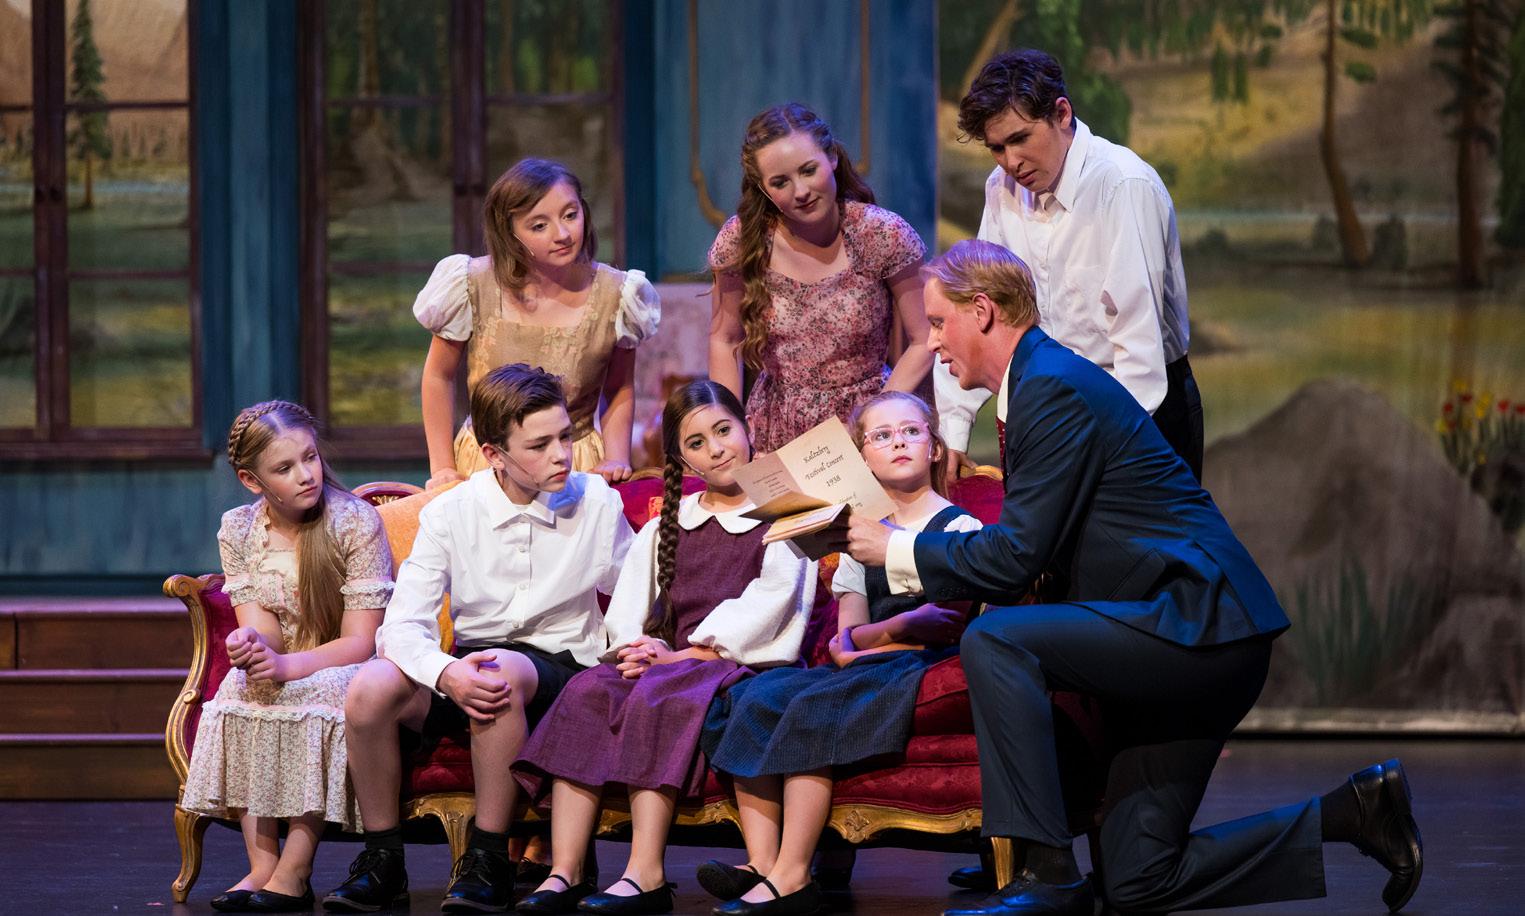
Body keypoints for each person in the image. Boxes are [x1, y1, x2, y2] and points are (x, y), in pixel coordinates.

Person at [846, 240, 1422, 916]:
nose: (934, 341)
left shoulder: (1051, 385)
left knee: (998, 642)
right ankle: (1355, 812)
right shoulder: (1035, 385)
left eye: (941, 322)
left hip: (1197, 623)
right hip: (1177, 634)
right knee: (1138, 880)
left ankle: (1045, 873)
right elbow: (1031, 554)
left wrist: (895, 548)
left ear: (982, 311)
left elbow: (1015, 558)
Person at [322, 364, 635, 914]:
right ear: (494, 454)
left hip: (562, 667)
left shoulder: (597, 502)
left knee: (496, 673)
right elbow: (403, 624)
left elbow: (634, 593)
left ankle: (489, 858)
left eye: (565, 437)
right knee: (370, 689)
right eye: (539, 445)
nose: (562, 455)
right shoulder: (452, 511)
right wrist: (446, 673)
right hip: (470, 662)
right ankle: (382, 858)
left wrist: (633, 647)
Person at [512, 380, 816, 916]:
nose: (716, 449)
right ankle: (566, 869)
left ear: (747, 429)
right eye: (697, 442)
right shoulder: (665, 525)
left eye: (723, 431)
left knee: (661, 692)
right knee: (587, 691)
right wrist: (635, 648)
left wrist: (683, 655)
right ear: (681, 458)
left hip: (735, 662)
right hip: (668, 661)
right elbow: (630, 606)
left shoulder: (783, 516)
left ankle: (645, 872)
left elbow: (771, 603)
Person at [696, 390, 982, 916]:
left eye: (911, 431)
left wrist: (878, 637)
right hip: (864, 664)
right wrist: (899, 625)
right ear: (863, 456)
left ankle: (793, 875)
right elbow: (849, 634)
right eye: (882, 436)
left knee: (814, 705)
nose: (898, 442)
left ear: (935, 448)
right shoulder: (855, 537)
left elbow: (944, 623)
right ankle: (762, 861)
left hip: (919, 667)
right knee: (754, 695)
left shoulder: (959, 529)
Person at [935, 49, 1203, 481]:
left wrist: (1098, 455)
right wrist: (953, 428)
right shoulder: (1001, 187)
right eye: (997, 148)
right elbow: (979, 307)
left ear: (1062, 114)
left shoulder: (1123, 185)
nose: (1010, 161)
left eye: (1020, 139)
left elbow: (1138, 351)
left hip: (1136, 413)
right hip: (1043, 403)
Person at [181, 400, 395, 913]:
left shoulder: (354, 522)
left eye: (310, 457)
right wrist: (253, 647)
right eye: (285, 467)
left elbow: (361, 641)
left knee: (315, 691)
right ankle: (262, 865)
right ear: (251, 481)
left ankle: (295, 870)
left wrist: (287, 667)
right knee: (242, 685)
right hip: (289, 660)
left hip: (348, 664)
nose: (306, 474)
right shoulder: (239, 529)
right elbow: (264, 629)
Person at [415, 158, 661, 488]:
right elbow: (438, 375)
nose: (563, 234)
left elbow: (619, 387)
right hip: (488, 466)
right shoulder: (473, 284)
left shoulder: (616, 294)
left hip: (573, 464)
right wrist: (443, 466)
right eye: (539, 226)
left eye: (570, 215)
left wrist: (616, 456)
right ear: (510, 231)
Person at [708, 102, 933, 454]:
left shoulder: (880, 234)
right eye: (780, 182)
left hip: (868, 426)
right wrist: (728, 431)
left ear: (832, 158)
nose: (800, 191)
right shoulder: (743, 240)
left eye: (808, 170)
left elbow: (925, 339)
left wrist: (874, 419)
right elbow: (724, 339)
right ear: (763, 188)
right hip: (776, 428)